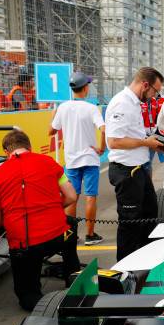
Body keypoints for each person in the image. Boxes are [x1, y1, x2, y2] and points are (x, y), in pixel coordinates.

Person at [0, 130, 80, 311]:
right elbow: (71, 196)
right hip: (58, 235)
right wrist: (52, 208)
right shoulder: (49, 162)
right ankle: (72, 275)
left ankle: (42, 302)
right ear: (29, 147)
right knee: (71, 225)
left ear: (7, 152)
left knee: (27, 297)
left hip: (25, 245)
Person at [105, 67, 164, 260]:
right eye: (155, 91)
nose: (155, 96)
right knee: (130, 224)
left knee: (150, 215)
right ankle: (126, 269)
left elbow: (136, 135)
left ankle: (146, 260)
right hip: (126, 172)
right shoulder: (121, 103)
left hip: (139, 169)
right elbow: (114, 141)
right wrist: (147, 143)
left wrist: (160, 146)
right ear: (145, 85)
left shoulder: (134, 102)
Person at [49, 71, 105, 245]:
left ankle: (71, 235)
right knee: (91, 197)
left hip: (72, 160)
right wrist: (101, 148)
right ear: (85, 88)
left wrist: (55, 115)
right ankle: (90, 235)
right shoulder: (91, 108)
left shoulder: (63, 107)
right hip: (90, 158)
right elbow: (103, 129)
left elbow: (51, 131)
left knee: (72, 197)